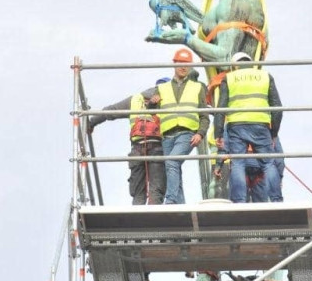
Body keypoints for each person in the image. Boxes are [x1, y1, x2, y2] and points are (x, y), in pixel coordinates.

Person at [214, 52, 282, 203]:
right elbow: (277, 107)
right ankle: (277, 199)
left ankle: (238, 201)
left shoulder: (230, 78)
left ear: (234, 65)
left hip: (237, 125)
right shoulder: (265, 76)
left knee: (237, 163)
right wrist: (274, 132)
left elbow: (221, 108)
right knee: (268, 163)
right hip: (260, 123)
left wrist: (218, 133)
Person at [88, 79, 169, 205]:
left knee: (138, 193)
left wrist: (91, 122)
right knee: (156, 191)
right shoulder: (169, 101)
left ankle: (138, 220)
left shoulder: (135, 99)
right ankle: (154, 221)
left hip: (137, 149)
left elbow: (111, 110)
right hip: (158, 148)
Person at [153, 48, 210, 204]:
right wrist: (153, 104)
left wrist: (200, 133)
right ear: (174, 64)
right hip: (167, 136)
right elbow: (154, 113)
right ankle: (181, 205)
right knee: (173, 168)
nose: (183, 67)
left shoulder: (197, 87)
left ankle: (170, 201)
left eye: (187, 64)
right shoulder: (161, 88)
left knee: (172, 162)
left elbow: (204, 116)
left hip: (187, 134)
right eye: (180, 63)